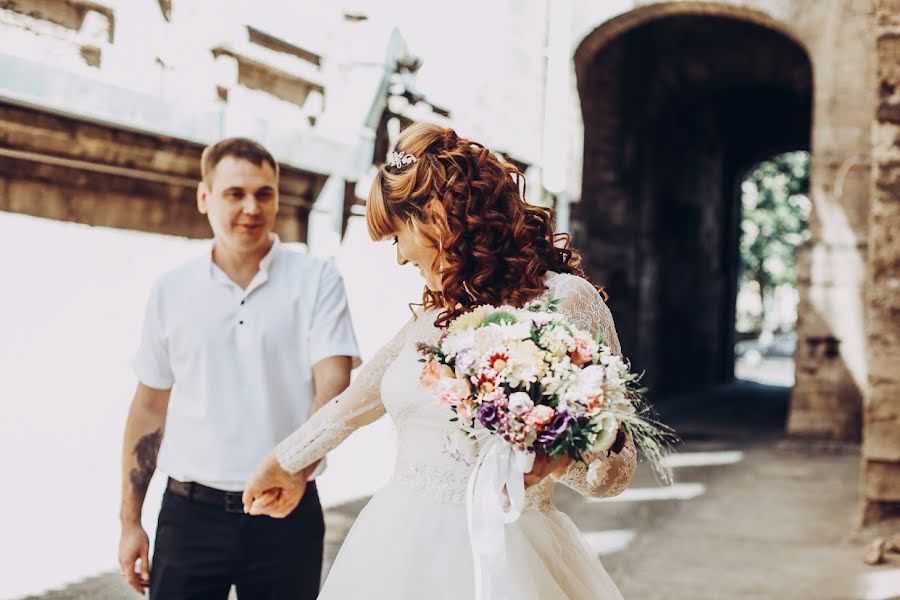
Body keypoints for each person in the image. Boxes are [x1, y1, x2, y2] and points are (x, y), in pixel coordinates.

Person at [244, 124, 636, 599]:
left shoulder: (565, 301)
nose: (401, 257)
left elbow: (616, 469)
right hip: (395, 552)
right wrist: (285, 462)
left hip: (511, 559)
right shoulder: (434, 316)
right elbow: (354, 404)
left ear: (433, 217)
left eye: (396, 238)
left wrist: (552, 458)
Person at [118, 137, 360, 599]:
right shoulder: (171, 290)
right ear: (204, 197)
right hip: (189, 515)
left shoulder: (318, 280)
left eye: (264, 193)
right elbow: (149, 409)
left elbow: (334, 384)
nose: (252, 207)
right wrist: (130, 522)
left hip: (286, 509)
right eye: (235, 193)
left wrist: (293, 468)